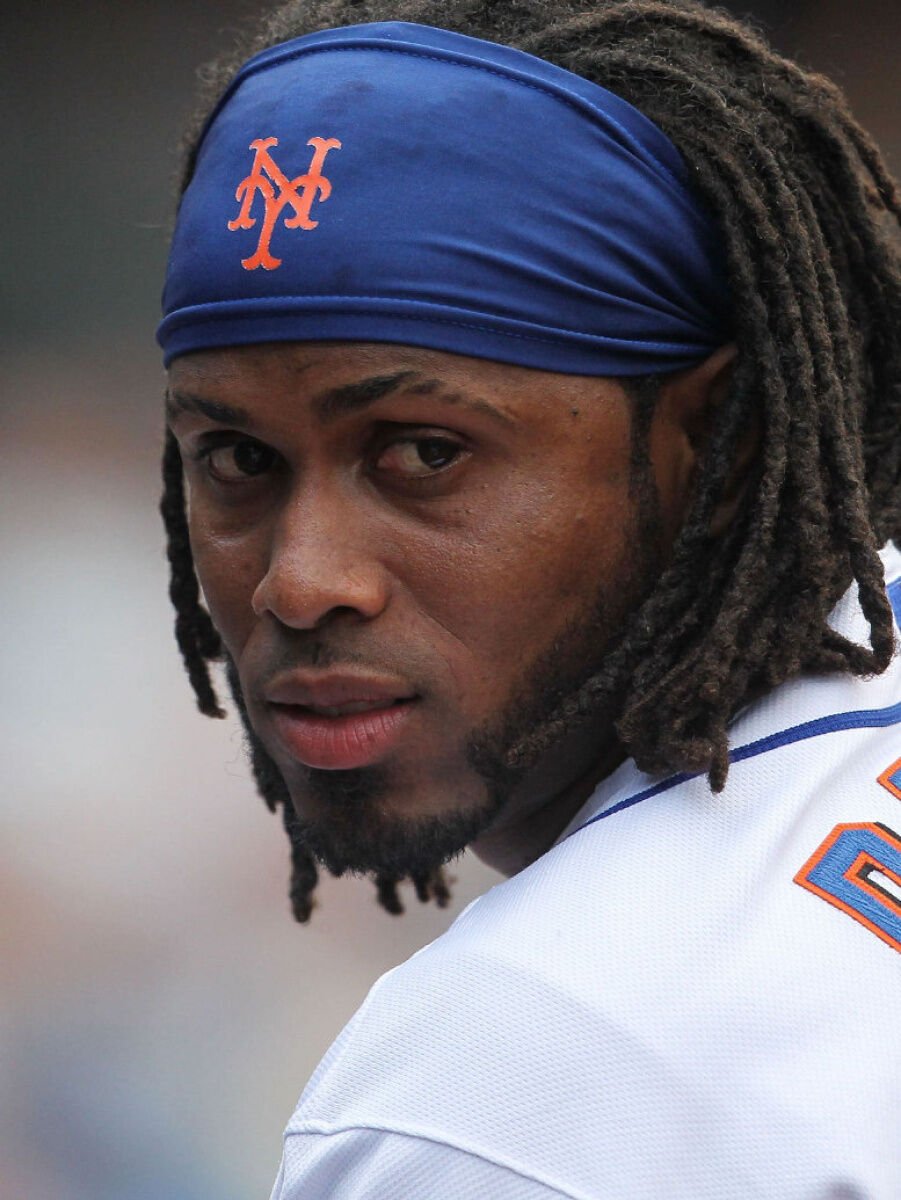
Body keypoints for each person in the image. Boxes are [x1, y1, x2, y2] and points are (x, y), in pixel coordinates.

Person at [157, 1, 901, 1195]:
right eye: (237, 459)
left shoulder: (515, 1086)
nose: (301, 582)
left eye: (425, 453)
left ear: (718, 449)